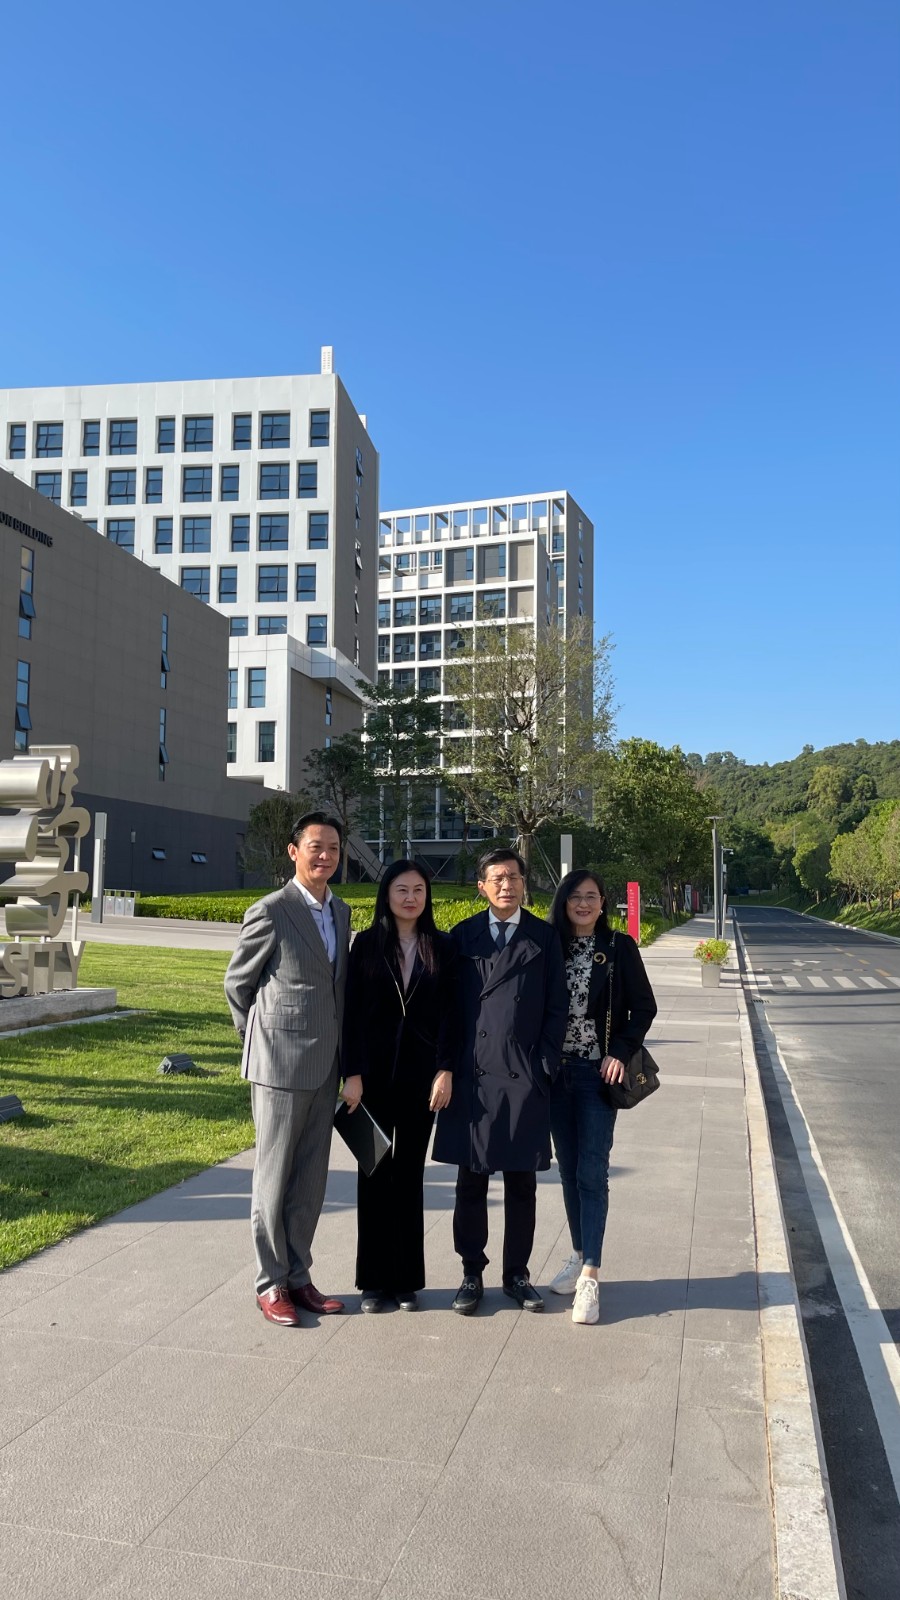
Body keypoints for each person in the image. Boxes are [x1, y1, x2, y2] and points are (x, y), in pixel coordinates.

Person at [224, 812, 351, 1328]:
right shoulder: (271, 910)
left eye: (334, 848)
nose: (326, 856)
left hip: (326, 1067)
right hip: (279, 1066)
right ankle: (270, 1281)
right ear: (294, 851)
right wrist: (260, 1043)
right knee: (273, 1180)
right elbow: (238, 985)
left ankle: (299, 1275)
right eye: (316, 846)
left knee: (310, 1181)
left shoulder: (341, 911)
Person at [433, 846, 568, 1314]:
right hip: (473, 1077)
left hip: (524, 1075)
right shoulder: (463, 935)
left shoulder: (544, 937)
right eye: (497, 878)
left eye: (513, 876)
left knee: (522, 1183)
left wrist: (544, 1064)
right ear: (482, 887)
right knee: (471, 1182)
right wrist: (445, 1068)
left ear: (524, 883)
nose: (506, 885)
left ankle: (517, 1275)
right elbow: (448, 1011)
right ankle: (471, 1272)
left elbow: (558, 1007)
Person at [341, 860, 458, 1313]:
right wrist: (352, 1073)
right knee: (373, 1174)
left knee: (409, 1176)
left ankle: (406, 1280)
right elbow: (352, 1013)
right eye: (401, 890)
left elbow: (451, 1016)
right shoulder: (366, 945)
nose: (411, 898)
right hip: (371, 1081)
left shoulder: (442, 947)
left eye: (418, 890)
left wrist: (445, 1069)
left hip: (420, 1081)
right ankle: (373, 1282)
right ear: (386, 895)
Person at [545, 869, 657, 1325]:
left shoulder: (618, 947)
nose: (584, 904)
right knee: (568, 1170)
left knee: (592, 1172)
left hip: (597, 1075)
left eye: (592, 896)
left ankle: (591, 1274)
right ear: (563, 901)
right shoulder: (549, 945)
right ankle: (578, 1253)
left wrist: (619, 1051)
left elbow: (643, 1007)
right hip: (555, 1075)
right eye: (575, 896)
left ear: (604, 902)